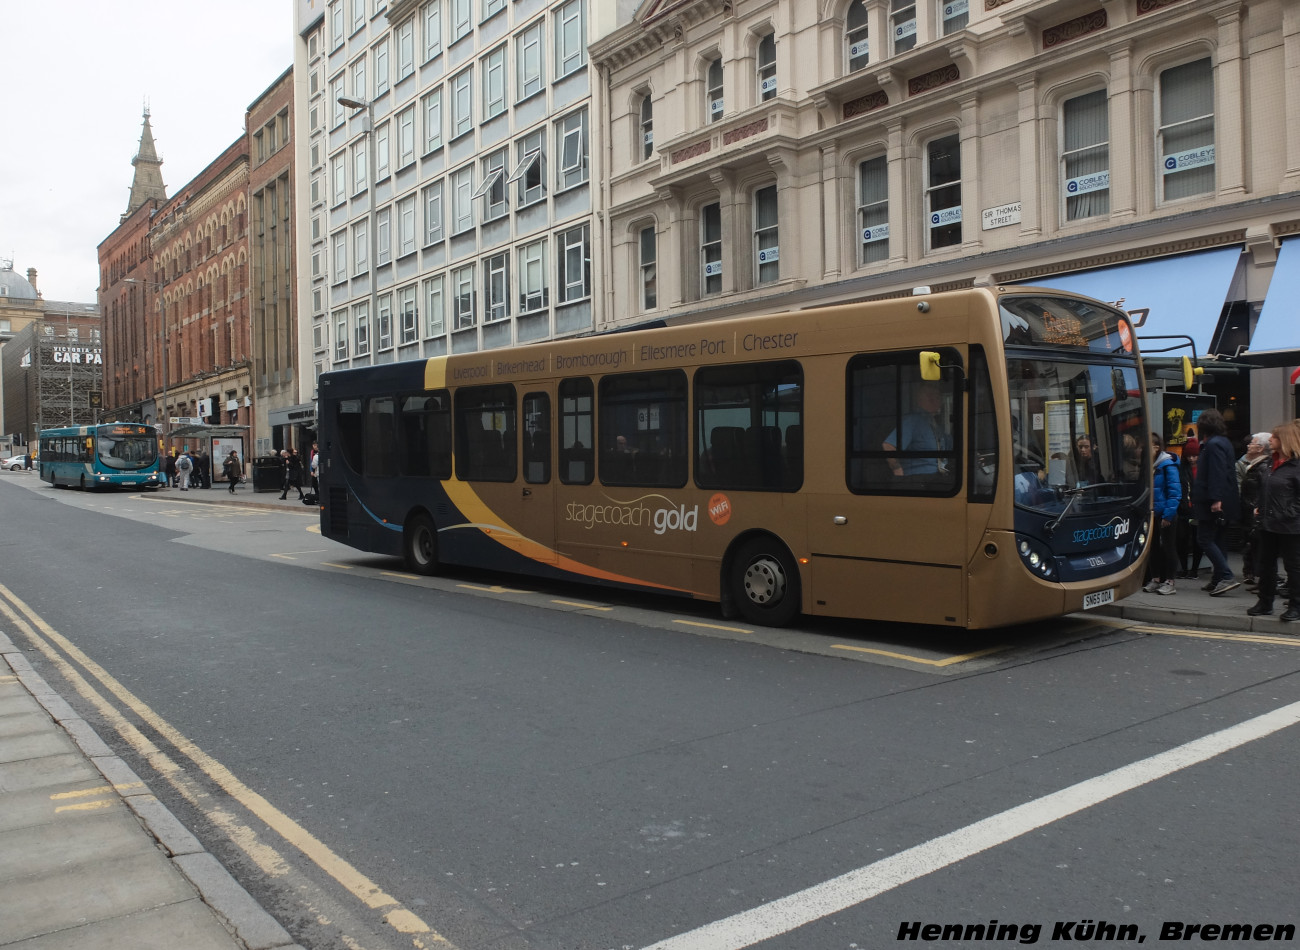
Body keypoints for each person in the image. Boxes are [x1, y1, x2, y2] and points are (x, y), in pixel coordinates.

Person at [1246, 421, 1300, 622]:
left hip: (1291, 526)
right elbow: (1264, 489)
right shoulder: (1270, 463)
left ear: (1285, 440)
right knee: (1266, 565)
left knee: (1293, 567)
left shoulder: (1296, 466)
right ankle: (1265, 602)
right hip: (1268, 524)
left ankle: (1296, 605)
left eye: (1275, 437)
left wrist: (1286, 513)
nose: (1270, 439)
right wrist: (1259, 506)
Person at [1190, 408, 1241, 596]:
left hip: (1212, 501)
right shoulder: (1223, 442)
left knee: (1204, 538)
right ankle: (1218, 579)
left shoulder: (1213, 445)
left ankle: (1226, 576)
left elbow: (1217, 472)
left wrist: (1216, 498)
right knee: (1218, 540)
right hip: (1224, 500)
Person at [882, 381, 950, 478]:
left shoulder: (936, 427)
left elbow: (951, 445)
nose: (936, 400)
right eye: (931, 396)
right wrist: (898, 471)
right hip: (919, 479)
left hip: (938, 476)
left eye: (938, 396)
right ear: (920, 400)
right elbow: (888, 446)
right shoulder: (913, 421)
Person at [1142, 432, 1181, 595]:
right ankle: (1156, 579)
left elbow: (1175, 491)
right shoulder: (1148, 465)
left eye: (1147, 445)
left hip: (1165, 512)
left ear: (1156, 447)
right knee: (1152, 547)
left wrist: (1168, 514)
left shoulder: (1167, 464)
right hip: (1151, 513)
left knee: (1168, 547)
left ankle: (1170, 581)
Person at [1237, 432, 1272, 588]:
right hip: (1249, 508)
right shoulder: (1251, 465)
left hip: (1254, 510)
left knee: (1258, 546)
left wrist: (1255, 508)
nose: (1249, 445)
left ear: (1261, 448)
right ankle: (1258, 577)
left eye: (1253, 443)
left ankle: (1267, 580)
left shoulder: (1262, 467)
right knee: (1251, 543)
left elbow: (1261, 491)